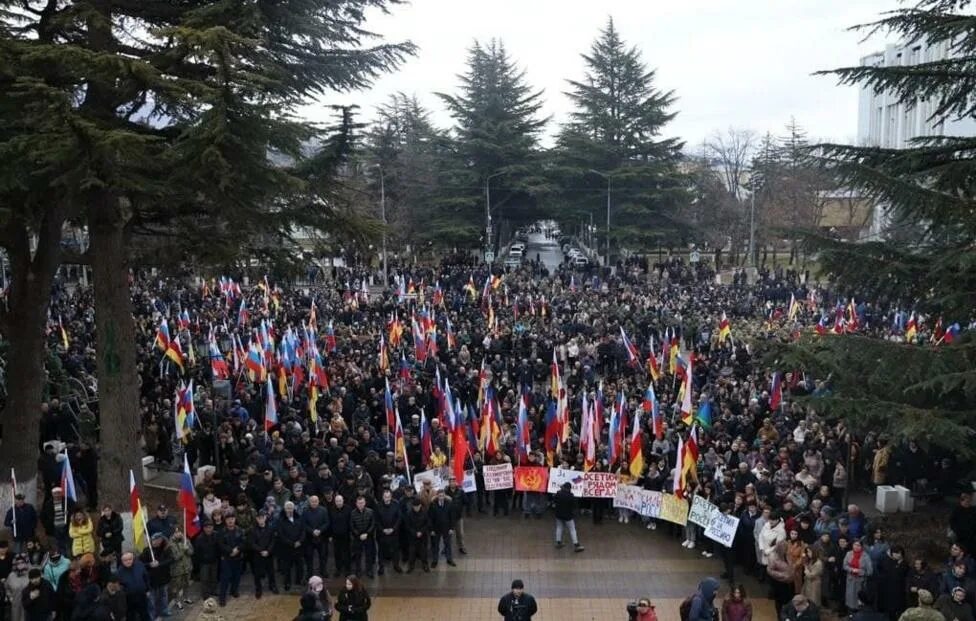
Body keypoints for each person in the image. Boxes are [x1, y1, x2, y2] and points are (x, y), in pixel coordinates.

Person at [141, 533, 174, 621]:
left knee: (163, 596)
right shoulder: (147, 551)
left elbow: (171, 559)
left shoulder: (166, 549)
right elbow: (141, 564)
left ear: (161, 540)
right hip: (152, 580)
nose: (156, 542)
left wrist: (159, 564)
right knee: (152, 599)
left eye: (158, 540)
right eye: (154, 540)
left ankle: (164, 610)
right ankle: (153, 616)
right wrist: (149, 564)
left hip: (163, 578)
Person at [216, 512, 244, 607]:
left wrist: (238, 549)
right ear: (225, 520)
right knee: (225, 578)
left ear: (235, 519)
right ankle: (222, 598)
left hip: (238, 557)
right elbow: (220, 544)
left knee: (237, 577)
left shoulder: (240, 530)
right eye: (228, 519)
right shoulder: (222, 532)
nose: (230, 520)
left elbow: (244, 542)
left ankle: (234, 591)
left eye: (232, 518)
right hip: (226, 558)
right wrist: (230, 551)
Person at [276, 501, 304, 592]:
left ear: (293, 509)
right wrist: (292, 543)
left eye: (291, 508)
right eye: (287, 508)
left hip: (299, 547)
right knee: (287, 567)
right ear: (284, 509)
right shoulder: (280, 520)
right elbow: (281, 535)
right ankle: (287, 582)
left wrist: (299, 541)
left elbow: (303, 531)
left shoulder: (299, 518)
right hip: (287, 548)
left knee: (299, 565)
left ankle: (299, 580)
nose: (289, 510)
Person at [248, 511, 277, 598]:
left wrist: (268, 551)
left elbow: (273, 541)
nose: (261, 520)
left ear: (265, 518)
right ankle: (258, 589)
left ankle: (272, 586)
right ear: (256, 519)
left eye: (262, 518)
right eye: (259, 518)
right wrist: (261, 550)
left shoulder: (270, 528)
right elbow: (252, 543)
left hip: (268, 554)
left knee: (271, 572)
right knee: (257, 573)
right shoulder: (252, 530)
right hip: (258, 555)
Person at [428, 489, 456, 568]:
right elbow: (430, 518)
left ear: (445, 496)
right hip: (436, 529)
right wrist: (431, 529)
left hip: (446, 528)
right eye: (440, 496)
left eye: (443, 496)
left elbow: (452, 517)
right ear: (437, 496)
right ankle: (435, 560)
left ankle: (449, 559)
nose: (441, 497)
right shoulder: (433, 504)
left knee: (448, 544)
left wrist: (451, 528)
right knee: (435, 545)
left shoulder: (449, 504)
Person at [845, 539, 874, 614]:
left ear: (861, 546)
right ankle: (850, 614)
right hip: (850, 580)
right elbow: (844, 566)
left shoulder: (865, 556)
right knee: (850, 599)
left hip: (860, 581)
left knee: (858, 599)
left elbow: (870, 571)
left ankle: (859, 615)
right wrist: (851, 570)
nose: (856, 547)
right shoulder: (849, 554)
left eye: (858, 545)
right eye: (855, 545)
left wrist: (860, 572)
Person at [349, 497, 376, 579]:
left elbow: (373, 524)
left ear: (365, 503)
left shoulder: (370, 512)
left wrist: (367, 534)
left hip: (368, 537)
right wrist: (358, 535)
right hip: (357, 538)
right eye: (359, 503)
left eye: (362, 503)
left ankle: (369, 570)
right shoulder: (352, 513)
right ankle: (358, 571)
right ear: (356, 504)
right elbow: (351, 526)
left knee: (369, 555)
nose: (360, 504)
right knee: (358, 555)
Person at [553, 482, 583, 552]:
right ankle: (576, 545)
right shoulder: (571, 496)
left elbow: (554, 501)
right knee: (572, 529)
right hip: (568, 515)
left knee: (559, 528)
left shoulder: (558, 494)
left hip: (559, 514)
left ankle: (558, 542)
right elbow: (575, 506)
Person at [193, 522, 219, 602]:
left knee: (214, 577)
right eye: (207, 527)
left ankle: (213, 590)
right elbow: (197, 551)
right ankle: (205, 594)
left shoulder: (216, 535)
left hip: (214, 560)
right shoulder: (199, 538)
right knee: (204, 579)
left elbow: (219, 546)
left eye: (210, 527)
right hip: (204, 562)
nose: (208, 529)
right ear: (204, 528)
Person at [168, 529, 193, 611]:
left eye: (180, 532)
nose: (178, 534)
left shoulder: (186, 540)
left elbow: (192, 552)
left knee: (186, 584)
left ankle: (186, 597)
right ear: (173, 534)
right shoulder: (170, 544)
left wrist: (188, 549)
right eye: (176, 532)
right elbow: (175, 557)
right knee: (177, 587)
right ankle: (177, 601)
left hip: (187, 567)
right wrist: (183, 549)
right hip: (177, 570)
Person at [404, 499, 429, 573]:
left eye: (417, 506)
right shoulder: (409, 513)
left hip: (423, 536)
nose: (416, 508)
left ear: (420, 506)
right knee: (412, 552)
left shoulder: (425, 512)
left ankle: (425, 565)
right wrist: (415, 533)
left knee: (424, 552)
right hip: (412, 536)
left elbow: (427, 523)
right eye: (414, 507)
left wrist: (421, 531)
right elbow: (407, 525)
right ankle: (411, 566)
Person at [6, 555, 31, 621]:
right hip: (16, 605)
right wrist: (10, 596)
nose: (20, 564)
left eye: (22, 562)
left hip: (28, 605)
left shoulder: (30, 574)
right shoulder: (11, 575)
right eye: (18, 563)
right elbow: (7, 587)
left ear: (26, 563)